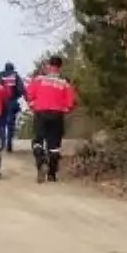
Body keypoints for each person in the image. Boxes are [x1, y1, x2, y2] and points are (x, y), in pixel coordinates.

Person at [25, 55, 77, 183]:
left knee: (38, 140)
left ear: (49, 65)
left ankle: (41, 161)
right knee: (54, 146)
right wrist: (65, 109)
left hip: (41, 112)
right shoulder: (64, 83)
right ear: (60, 66)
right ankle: (52, 174)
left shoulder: (39, 79)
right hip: (56, 114)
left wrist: (33, 106)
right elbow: (71, 102)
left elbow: (29, 94)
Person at [0, 61, 26, 152]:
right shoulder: (16, 76)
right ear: (13, 68)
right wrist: (16, 96)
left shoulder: (0, 76)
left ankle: (3, 143)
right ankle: (9, 143)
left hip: (1, 102)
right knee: (11, 123)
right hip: (12, 102)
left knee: (2, 123)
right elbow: (21, 89)